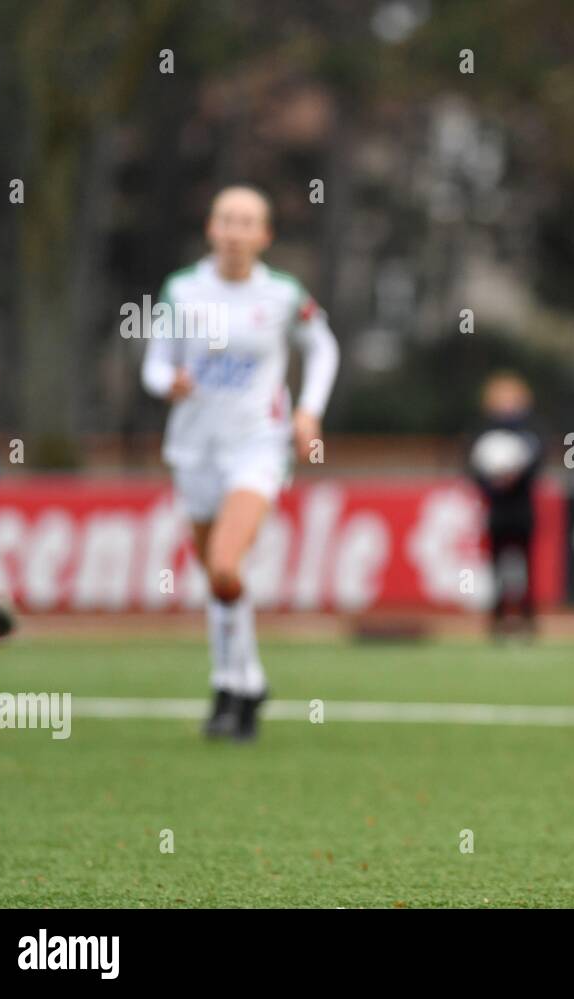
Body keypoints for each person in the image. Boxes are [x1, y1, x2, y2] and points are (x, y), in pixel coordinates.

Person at [141, 185, 339, 742]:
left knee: (226, 565)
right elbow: (156, 363)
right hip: (194, 448)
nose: (235, 231)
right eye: (226, 219)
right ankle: (241, 682)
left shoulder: (281, 293)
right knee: (219, 578)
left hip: (258, 445)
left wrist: (308, 413)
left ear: (264, 235)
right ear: (211, 228)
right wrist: (168, 383)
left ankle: (230, 685)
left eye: (247, 222)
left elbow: (323, 346)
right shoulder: (182, 290)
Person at [466, 372, 544, 639]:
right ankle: (497, 617)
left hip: (522, 509)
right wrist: (493, 484)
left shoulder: (531, 431)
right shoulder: (483, 432)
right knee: (497, 566)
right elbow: (472, 468)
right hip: (496, 510)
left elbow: (537, 463)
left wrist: (515, 478)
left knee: (525, 566)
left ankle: (527, 617)